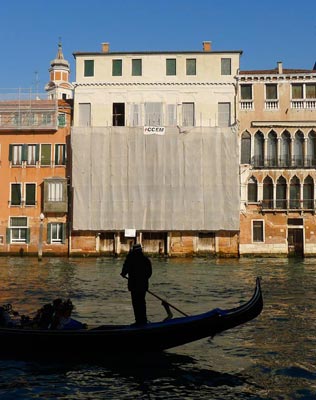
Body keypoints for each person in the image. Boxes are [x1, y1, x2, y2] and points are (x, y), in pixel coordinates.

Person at [121, 243, 152, 326]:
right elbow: (149, 273)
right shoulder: (145, 260)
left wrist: (123, 273)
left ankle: (138, 321)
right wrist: (143, 279)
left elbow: (124, 271)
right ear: (141, 250)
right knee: (142, 302)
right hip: (143, 285)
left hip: (134, 285)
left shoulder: (130, 259)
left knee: (136, 303)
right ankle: (143, 320)